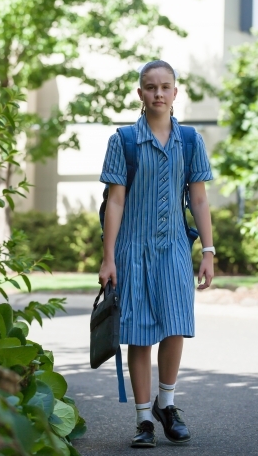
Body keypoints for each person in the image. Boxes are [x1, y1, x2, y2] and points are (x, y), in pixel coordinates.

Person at [98, 60, 214, 448]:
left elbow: (198, 198)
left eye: (165, 87)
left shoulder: (192, 141)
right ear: (140, 94)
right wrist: (108, 257)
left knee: (176, 324)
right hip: (132, 250)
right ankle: (144, 419)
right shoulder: (124, 141)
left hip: (175, 249)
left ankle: (168, 404)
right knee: (140, 334)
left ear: (176, 93)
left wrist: (209, 251)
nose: (158, 93)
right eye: (151, 87)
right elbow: (115, 202)